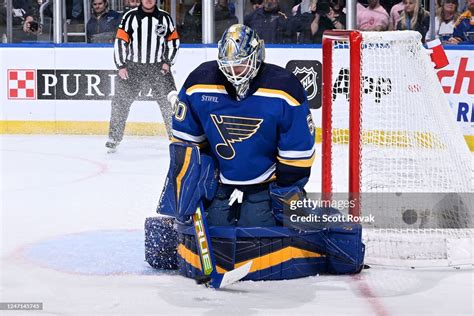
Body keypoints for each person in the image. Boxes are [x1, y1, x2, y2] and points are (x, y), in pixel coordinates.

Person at [168, 24, 315, 227]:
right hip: (219, 179)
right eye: (227, 65)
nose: (233, 72)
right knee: (217, 227)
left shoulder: (285, 89)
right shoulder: (199, 83)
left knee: (257, 229)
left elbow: (298, 151)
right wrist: (192, 186)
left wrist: (284, 191)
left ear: (257, 57)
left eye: (241, 63)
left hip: (266, 180)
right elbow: (186, 143)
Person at [106, 0, 179, 152]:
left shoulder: (165, 18)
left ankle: (176, 136)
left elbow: (173, 42)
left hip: (158, 67)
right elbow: (120, 42)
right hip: (133, 67)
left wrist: (167, 62)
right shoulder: (129, 17)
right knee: (120, 102)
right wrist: (121, 65)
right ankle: (114, 137)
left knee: (170, 102)